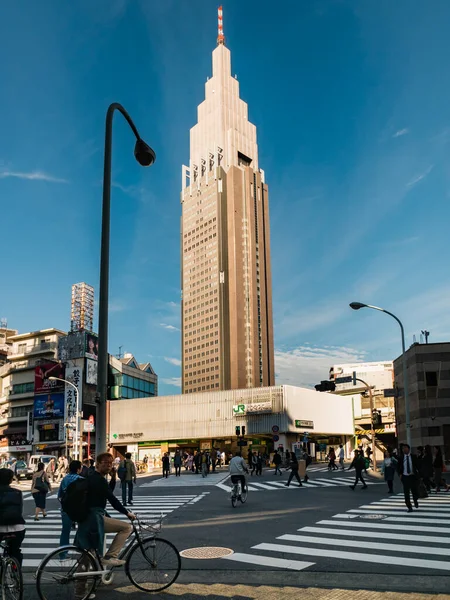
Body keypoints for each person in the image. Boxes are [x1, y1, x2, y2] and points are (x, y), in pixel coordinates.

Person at [74, 453, 135, 567]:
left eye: (111, 463)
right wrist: (127, 513)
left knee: (89, 553)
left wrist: (112, 478)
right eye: (105, 463)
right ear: (97, 464)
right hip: (93, 518)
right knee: (126, 528)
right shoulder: (98, 480)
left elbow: (106, 493)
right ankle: (110, 556)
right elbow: (112, 499)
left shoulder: (92, 476)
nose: (109, 466)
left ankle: (80, 582)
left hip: (87, 518)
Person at [0, 468, 25, 565]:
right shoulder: (18, 492)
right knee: (15, 551)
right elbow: (20, 511)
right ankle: (16, 570)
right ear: (11, 480)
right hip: (17, 528)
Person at [58, 460, 82, 555]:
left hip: (66, 509)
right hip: (80, 509)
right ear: (78, 469)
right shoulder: (81, 479)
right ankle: (83, 552)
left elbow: (59, 495)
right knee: (82, 530)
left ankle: (63, 554)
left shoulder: (65, 479)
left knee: (65, 531)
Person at [397, 443, 420, 512]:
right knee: (406, 493)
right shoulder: (401, 458)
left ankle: (415, 500)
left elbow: (418, 465)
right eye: (403, 448)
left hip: (413, 476)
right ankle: (409, 506)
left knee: (414, 490)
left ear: (409, 449)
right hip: (405, 476)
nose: (404, 449)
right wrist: (400, 475)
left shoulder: (413, 456)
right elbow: (398, 467)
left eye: (405, 448)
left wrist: (419, 474)